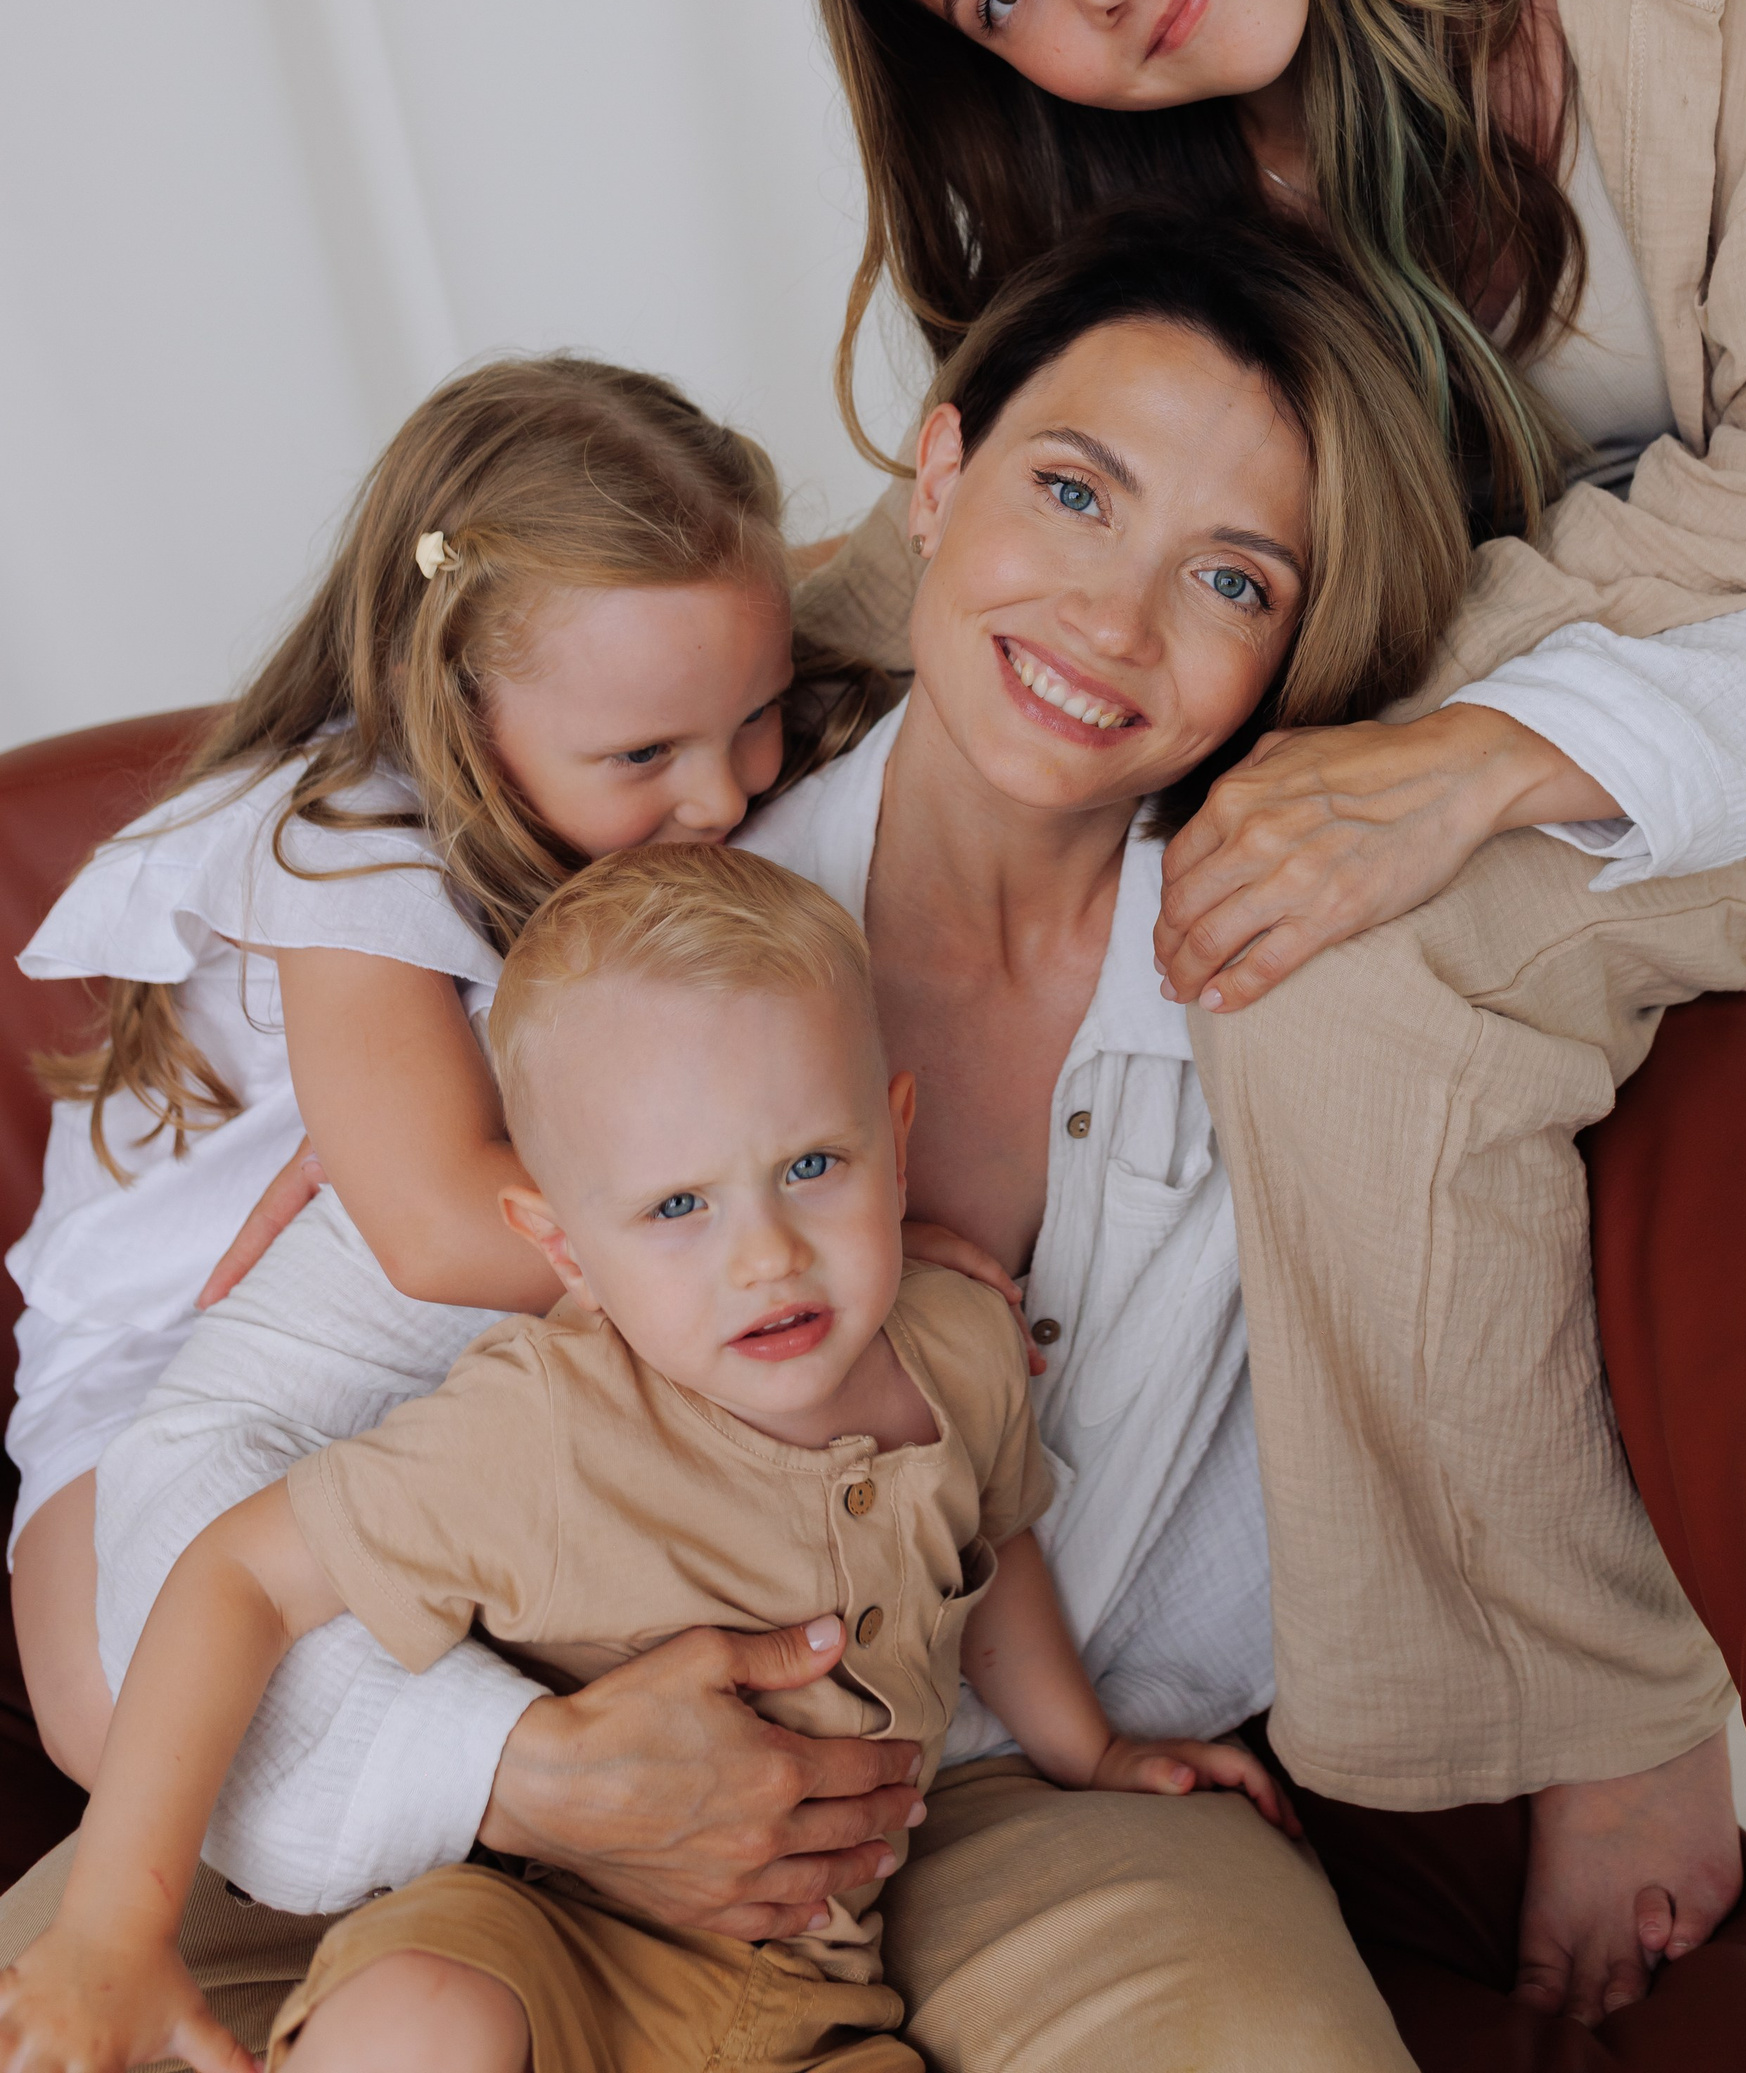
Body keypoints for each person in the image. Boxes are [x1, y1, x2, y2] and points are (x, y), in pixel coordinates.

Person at [791, 0, 1746, 2003]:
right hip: (1611, 735)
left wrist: (1458, 705)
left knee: (1368, 917)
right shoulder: (1141, 220)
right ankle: (1569, 1722)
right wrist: (507, 662)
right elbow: (974, 557)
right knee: (1314, 965)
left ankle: (1597, 1727)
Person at [6, 217, 1468, 2070]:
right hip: (512, 1813)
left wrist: (1624, 1742)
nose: (1113, 619)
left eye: (1234, 578)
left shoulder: (1322, 976)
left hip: (1000, 1794)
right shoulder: (616, 948)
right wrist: (525, 1770)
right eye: (1074, 490)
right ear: (938, 475)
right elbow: (208, 1513)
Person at [0, 842, 1323, 2073]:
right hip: (531, 1931)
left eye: (812, 1164)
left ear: (896, 1139)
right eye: (678, 1204)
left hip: (813, 1991)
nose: (766, 1254)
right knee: (417, 2016)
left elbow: (992, 1548)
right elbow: (240, 1574)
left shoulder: (963, 1347)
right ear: (562, 1246)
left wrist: (1091, 1748)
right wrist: (117, 1921)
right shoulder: (540, 1422)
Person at [6, 352, 884, 1787]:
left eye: (755, 715)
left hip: (434, 1356)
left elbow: (872, 573)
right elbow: (429, 1227)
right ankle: (510, 1783)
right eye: (647, 751)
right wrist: (817, 1240)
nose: (724, 791)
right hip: (169, 1353)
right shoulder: (346, 839)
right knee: (115, 1712)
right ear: (452, 707)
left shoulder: (630, 718)